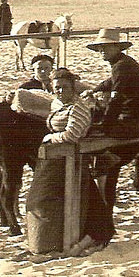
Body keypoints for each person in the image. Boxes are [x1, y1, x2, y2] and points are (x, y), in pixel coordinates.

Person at [23, 68, 103, 254]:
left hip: (72, 161)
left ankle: (64, 243)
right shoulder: (57, 104)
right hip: (56, 160)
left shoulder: (78, 107)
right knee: (43, 202)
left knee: (56, 201)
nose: (60, 91)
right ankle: (51, 243)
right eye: (57, 87)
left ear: (73, 87)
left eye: (64, 87)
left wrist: (50, 138)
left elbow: (73, 135)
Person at [86, 29, 139, 140]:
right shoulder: (123, 62)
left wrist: (105, 124)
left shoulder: (121, 66)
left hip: (135, 121)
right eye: (100, 47)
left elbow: (116, 98)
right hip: (138, 118)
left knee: (91, 133)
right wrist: (94, 90)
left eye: (106, 46)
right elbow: (110, 81)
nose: (102, 50)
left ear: (117, 47)